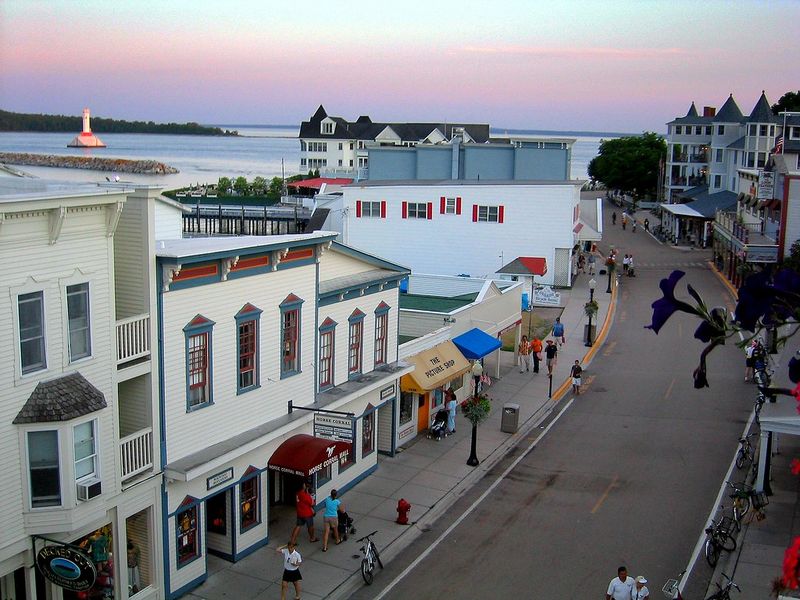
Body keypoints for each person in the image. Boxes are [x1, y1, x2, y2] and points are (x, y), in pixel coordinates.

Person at [290, 481, 317, 545]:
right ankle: (312, 538)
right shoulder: (305, 495)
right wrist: (311, 496)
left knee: (298, 526)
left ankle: (292, 541)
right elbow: (312, 503)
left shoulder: (298, 493)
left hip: (300, 512)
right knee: (310, 526)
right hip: (307, 513)